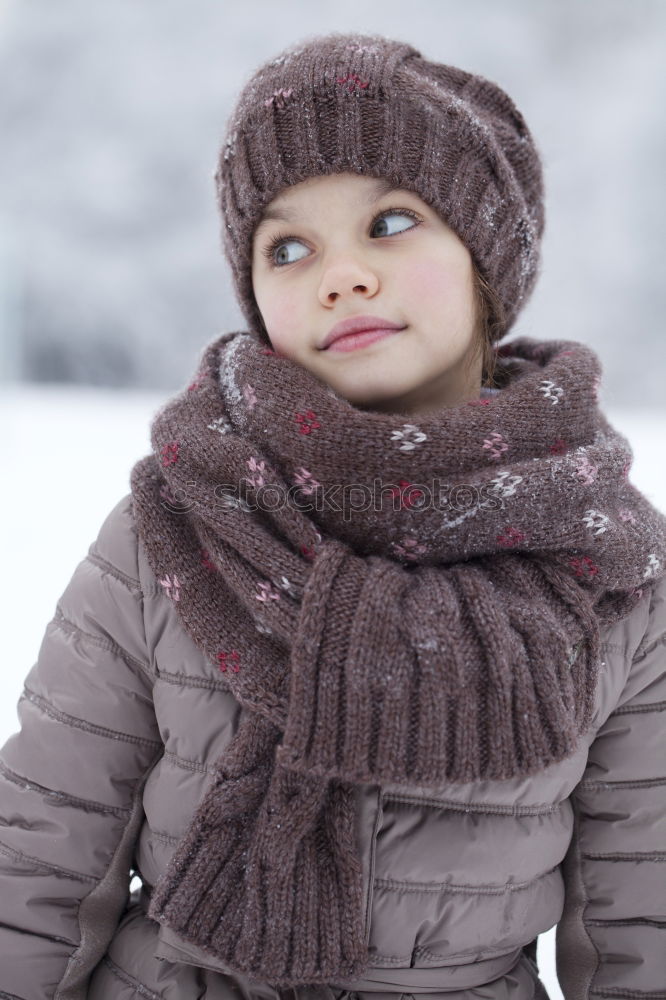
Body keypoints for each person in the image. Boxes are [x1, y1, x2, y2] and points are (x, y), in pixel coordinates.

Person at [1, 30, 664, 1000]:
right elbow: (38, 858)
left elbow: (643, 924)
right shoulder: (176, 525)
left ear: (484, 255)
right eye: (288, 245)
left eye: (389, 223)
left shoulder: (606, 566)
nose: (340, 274)